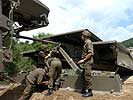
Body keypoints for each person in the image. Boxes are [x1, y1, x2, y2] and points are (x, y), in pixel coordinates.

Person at [78, 30, 94, 97]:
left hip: (88, 61)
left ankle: (90, 92)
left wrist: (83, 60)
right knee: (84, 76)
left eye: (82, 35)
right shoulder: (86, 42)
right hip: (86, 62)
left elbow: (90, 53)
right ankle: (84, 89)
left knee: (87, 76)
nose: (81, 36)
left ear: (85, 36)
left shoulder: (88, 42)